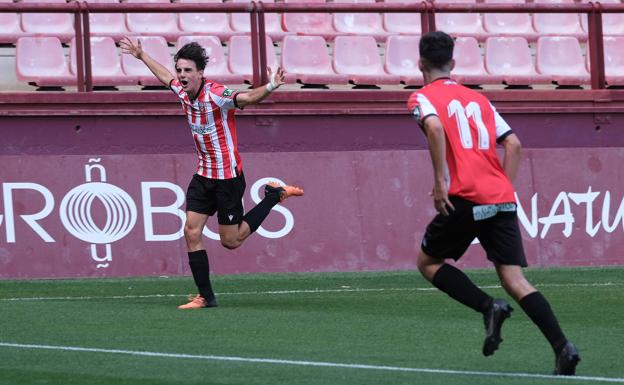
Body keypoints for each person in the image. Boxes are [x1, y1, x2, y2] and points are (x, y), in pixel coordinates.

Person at [406, 31, 580, 375]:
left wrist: (440, 182)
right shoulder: (480, 100)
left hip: (465, 197)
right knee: (515, 280)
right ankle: (563, 347)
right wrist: (501, 190)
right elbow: (513, 145)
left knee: (427, 262)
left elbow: (436, 129)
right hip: (500, 197)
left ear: (420, 64)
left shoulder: (420, 98)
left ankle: (488, 307)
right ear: (453, 63)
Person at [120, 38, 304, 309]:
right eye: (180, 70)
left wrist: (272, 85)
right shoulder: (182, 92)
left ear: (200, 73)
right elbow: (164, 76)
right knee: (191, 231)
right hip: (204, 176)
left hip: (228, 178)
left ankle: (273, 196)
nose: (181, 75)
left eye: (187, 71)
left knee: (231, 241)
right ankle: (205, 296)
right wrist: (140, 55)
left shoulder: (216, 94)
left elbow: (248, 98)